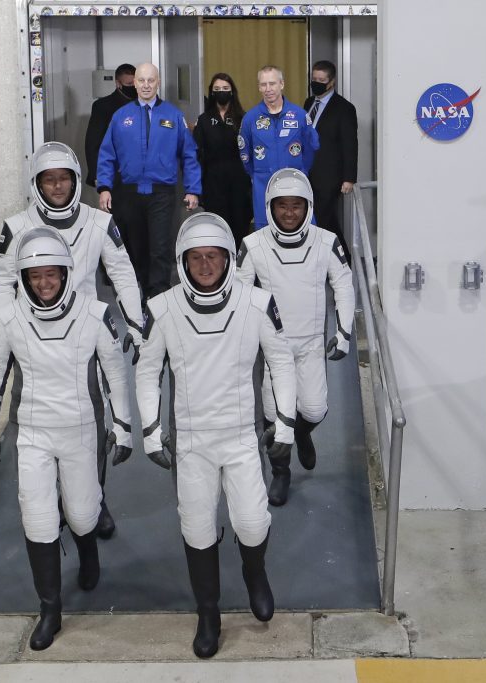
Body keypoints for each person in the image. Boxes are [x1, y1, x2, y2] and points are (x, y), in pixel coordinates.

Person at [135, 213, 296, 659]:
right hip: (191, 442)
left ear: (228, 259)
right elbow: (147, 372)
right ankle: (209, 613)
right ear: (183, 262)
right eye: (196, 258)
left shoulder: (257, 303)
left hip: (242, 436)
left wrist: (284, 424)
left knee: (251, 521)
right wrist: (151, 431)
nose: (206, 266)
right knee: (198, 527)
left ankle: (254, 571)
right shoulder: (162, 308)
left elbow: (281, 362)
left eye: (214, 257)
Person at [0, 226, 133, 651]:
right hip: (32, 434)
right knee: (39, 519)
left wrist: (123, 426)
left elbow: (116, 373)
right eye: (34, 276)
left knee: (83, 515)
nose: (44, 284)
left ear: (66, 273)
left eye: (51, 274)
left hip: (81, 430)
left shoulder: (95, 314)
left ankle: (88, 552)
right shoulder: (9, 318)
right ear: (24, 279)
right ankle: (50, 610)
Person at [0, 141, 144, 540]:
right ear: (37, 184)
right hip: (33, 341)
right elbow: (2, 281)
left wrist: (137, 323)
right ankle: (47, 500)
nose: (57, 187)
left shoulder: (98, 223)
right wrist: (10, 324)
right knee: (35, 426)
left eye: (64, 179)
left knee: (91, 423)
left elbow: (123, 274)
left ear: (76, 181)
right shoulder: (16, 227)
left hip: (85, 339)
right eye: (49, 180)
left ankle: (93, 501)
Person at [237, 169, 354, 506]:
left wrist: (344, 331)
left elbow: (343, 285)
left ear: (309, 206)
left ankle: (302, 433)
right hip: (274, 350)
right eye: (282, 206)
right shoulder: (253, 245)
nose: (289, 213)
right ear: (270, 207)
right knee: (276, 417)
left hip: (312, 344)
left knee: (314, 410)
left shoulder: (327, 241)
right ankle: (281, 472)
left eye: (296, 206)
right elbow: (240, 294)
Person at [96, 63, 202, 301]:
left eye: (150, 80)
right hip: (128, 194)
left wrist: (193, 189)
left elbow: (189, 155)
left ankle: (158, 302)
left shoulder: (173, 116)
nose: (146, 85)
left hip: (161, 194)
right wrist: (104, 187)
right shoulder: (121, 117)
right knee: (136, 250)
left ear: (158, 82)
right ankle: (140, 299)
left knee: (160, 249)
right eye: (141, 80)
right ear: (134, 83)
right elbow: (107, 155)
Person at [238, 65, 319, 228]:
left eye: (272, 83)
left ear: (281, 84)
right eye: (263, 84)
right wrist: (258, 174)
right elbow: (245, 153)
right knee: (266, 233)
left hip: (295, 184)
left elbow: (312, 146)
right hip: (263, 185)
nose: (268, 89)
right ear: (259, 87)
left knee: (303, 228)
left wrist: (301, 170)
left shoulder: (299, 115)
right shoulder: (250, 118)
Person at [192, 73, 252, 248]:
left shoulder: (244, 118)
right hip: (213, 183)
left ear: (232, 91)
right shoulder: (204, 120)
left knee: (240, 227)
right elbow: (196, 154)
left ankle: (240, 268)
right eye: (217, 89)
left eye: (225, 89)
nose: (221, 92)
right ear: (211, 92)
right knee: (217, 229)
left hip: (240, 183)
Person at [304, 60, 358, 254]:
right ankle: (338, 260)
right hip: (308, 172)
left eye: (321, 80)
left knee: (324, 219)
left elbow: (350, 144)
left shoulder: (344, 108)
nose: (316, 83)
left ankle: (342, 258)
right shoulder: (309, 103)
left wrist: (349, 177)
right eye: (314, 79)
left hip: (330, 175)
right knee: (320, 220)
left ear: (332, 82)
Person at [84, 63, 136, 188]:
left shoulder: (145, 104)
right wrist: (97, 175)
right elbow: (93, 143)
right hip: (115, 173)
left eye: (135, 83)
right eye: (129, 85)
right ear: (118, 83)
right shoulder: (103, 106)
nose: (133, 87)